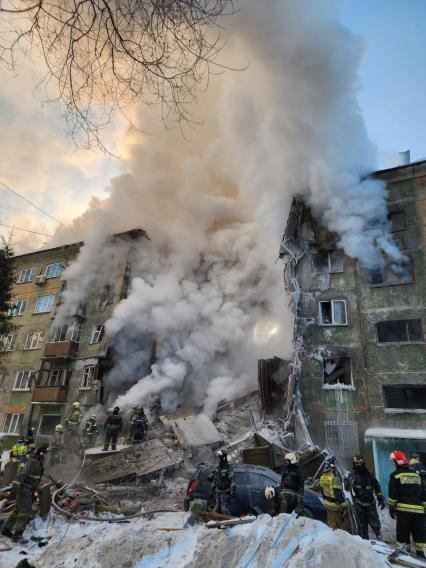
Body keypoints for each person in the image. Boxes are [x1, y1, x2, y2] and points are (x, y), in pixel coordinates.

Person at [1, 444, 49, 543]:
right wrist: (15, 488)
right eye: (46, 453)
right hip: (24, 489)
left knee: (17, 511)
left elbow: (35, 478)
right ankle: (18, 535)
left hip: (27, 489)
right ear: (41, 453)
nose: (47, 455)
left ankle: (6, 530)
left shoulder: (38, 462)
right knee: (25, 512)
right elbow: (22, 474)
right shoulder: (33, 462)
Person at [388, 450, 426, 557]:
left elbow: (393, 496)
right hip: (419, 513)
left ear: (397, 462)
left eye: (393, 462)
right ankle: (422, 556)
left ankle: (404, 556)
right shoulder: (417, 476)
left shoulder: (395, 475)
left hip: (404, 513)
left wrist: (391, 506)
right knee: (420, 537)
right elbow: (424, 496)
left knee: (403, 536)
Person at [344, 455, 384, 540]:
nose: (359, 465)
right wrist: (347, 481)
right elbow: (347, 489)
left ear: (363, 463)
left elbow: (377, 486)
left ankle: (379, 537)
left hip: (370, 504)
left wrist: (380, 498)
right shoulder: (352, 475)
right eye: (357, 463)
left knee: (375, 524)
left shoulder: (369, 474)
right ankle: (365, 542)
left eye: (360, 463)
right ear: (354, 464)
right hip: (359, 505)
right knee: (362, 527)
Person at [320, 457, 351, 531]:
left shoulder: (323, 475)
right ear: (332, 464)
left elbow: (322, 491)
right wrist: (344, 505)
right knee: (343, 528)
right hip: (336, 506)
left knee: (332, 526)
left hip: (328, 504)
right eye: (334, 463)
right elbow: (338, 493)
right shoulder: (335, 475)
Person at [212, 449, 235, 516]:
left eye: (219, 458)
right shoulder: (218, 468)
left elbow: (232, 480)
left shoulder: (228, 468)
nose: (218, 460)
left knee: (224, 509)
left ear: (222, 458)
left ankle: (226, 523)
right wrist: (212, 487)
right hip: (218, 491)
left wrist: (232, 491)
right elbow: (215, 479)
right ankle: (215, 523)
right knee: (217, 508)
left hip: (225, 492)